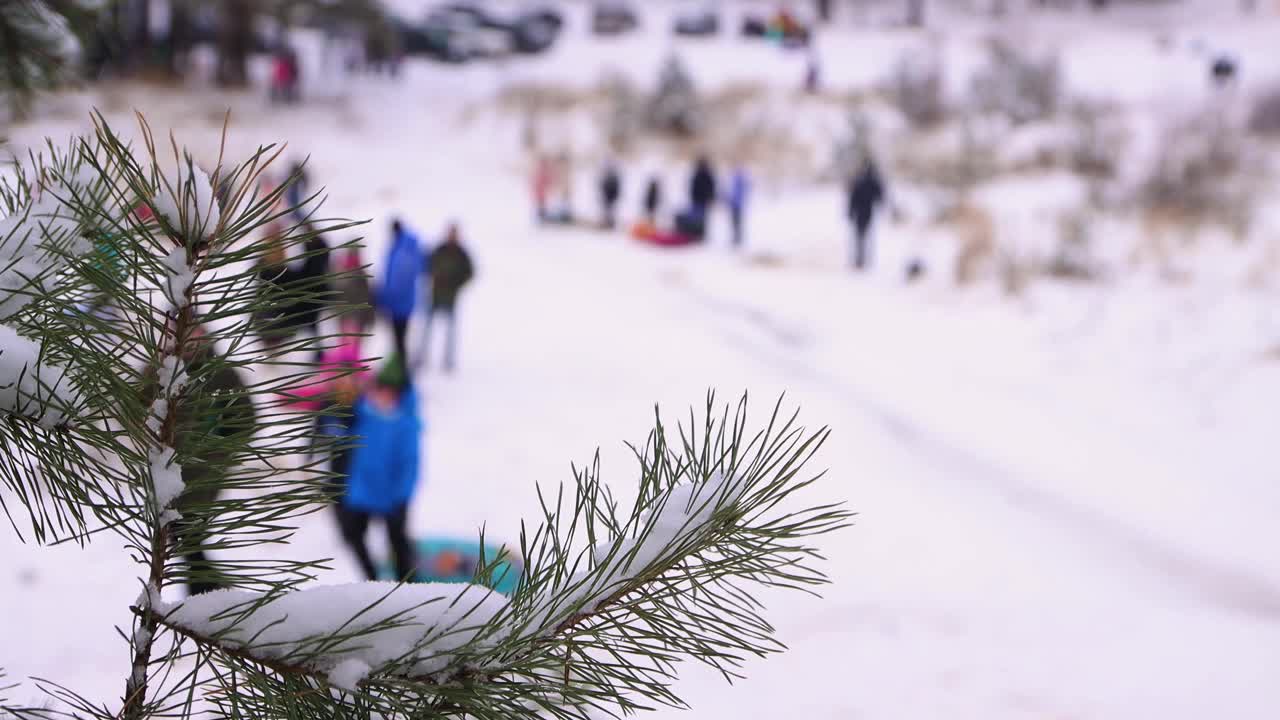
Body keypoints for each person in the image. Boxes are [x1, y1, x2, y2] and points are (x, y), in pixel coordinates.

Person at [172, 326, 257, 595]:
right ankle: (211, 596)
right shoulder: (164, 370)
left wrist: (221, 451)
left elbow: (246, 417)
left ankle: (206, 599)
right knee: (185, 542)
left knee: (189, 539)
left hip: (205, 475)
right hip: (167, 473)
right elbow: (138, 404)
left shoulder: (220, 373)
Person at [337, 358, 421, 581]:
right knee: (353, 536)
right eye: (379, 389)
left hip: (391, 497)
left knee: (398, 543)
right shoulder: (363, 414)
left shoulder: (405, 425)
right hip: (362, 491)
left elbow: (409, 463)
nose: (382, 396)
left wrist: (401, 497)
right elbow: (341, 436)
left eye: (389, 391)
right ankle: (372, 578)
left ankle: (408, 582)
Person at [421, 223, 474, 373]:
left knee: (450, 331)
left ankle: (448, 361)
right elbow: (427, 265)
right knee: (427, 328)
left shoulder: (462, 253)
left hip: (450, 298)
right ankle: (422, 357)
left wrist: (457, 284)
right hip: (435, 296)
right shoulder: (439, 250)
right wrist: (434, 277)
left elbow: (470, 273)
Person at [377, 219, 423, 371]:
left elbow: (398, 281)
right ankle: (400, 368)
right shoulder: (401, 247)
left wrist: (385, 299)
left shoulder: (403, 250)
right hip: (400, 303)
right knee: (398, 339)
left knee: (399, 339)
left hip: (400, 304)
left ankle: (402, 371)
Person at [846, 157, 886, 270]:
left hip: (861, 213)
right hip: (867, 212)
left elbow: (852, 198)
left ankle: (860, 259)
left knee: (860, 236)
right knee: (865, 236)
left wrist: (850, 211)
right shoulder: (872, 181)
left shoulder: (859, 180)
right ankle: (863, 259)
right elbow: (880, 196)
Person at [676, 155, 717, 240]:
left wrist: (711, 198)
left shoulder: (706, 174)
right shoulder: (699, 173)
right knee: (697, 218)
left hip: (701, 200)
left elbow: (711, 188)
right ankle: (695, 234)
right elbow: (693, 187)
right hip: (697, 200)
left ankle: (700, 235)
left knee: (700, 218)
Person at [725, 165, 750, 249]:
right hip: (736, 204)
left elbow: (736, 194)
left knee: (736, 222)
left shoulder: (739, 181)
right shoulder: (738, 181)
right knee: (735, 222)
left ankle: (737, 238)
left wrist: (731, 200)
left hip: (736, 205)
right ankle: (737, 237)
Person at [599, 162, 622, 229]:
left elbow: (616, 188)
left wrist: (615, 196)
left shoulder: (613, 177)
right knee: (607, 211)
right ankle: (606, 224)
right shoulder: (607, 177)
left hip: (611, 197)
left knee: (610, 211)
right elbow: (603, 186)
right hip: (607, 197)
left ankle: (610, 224)